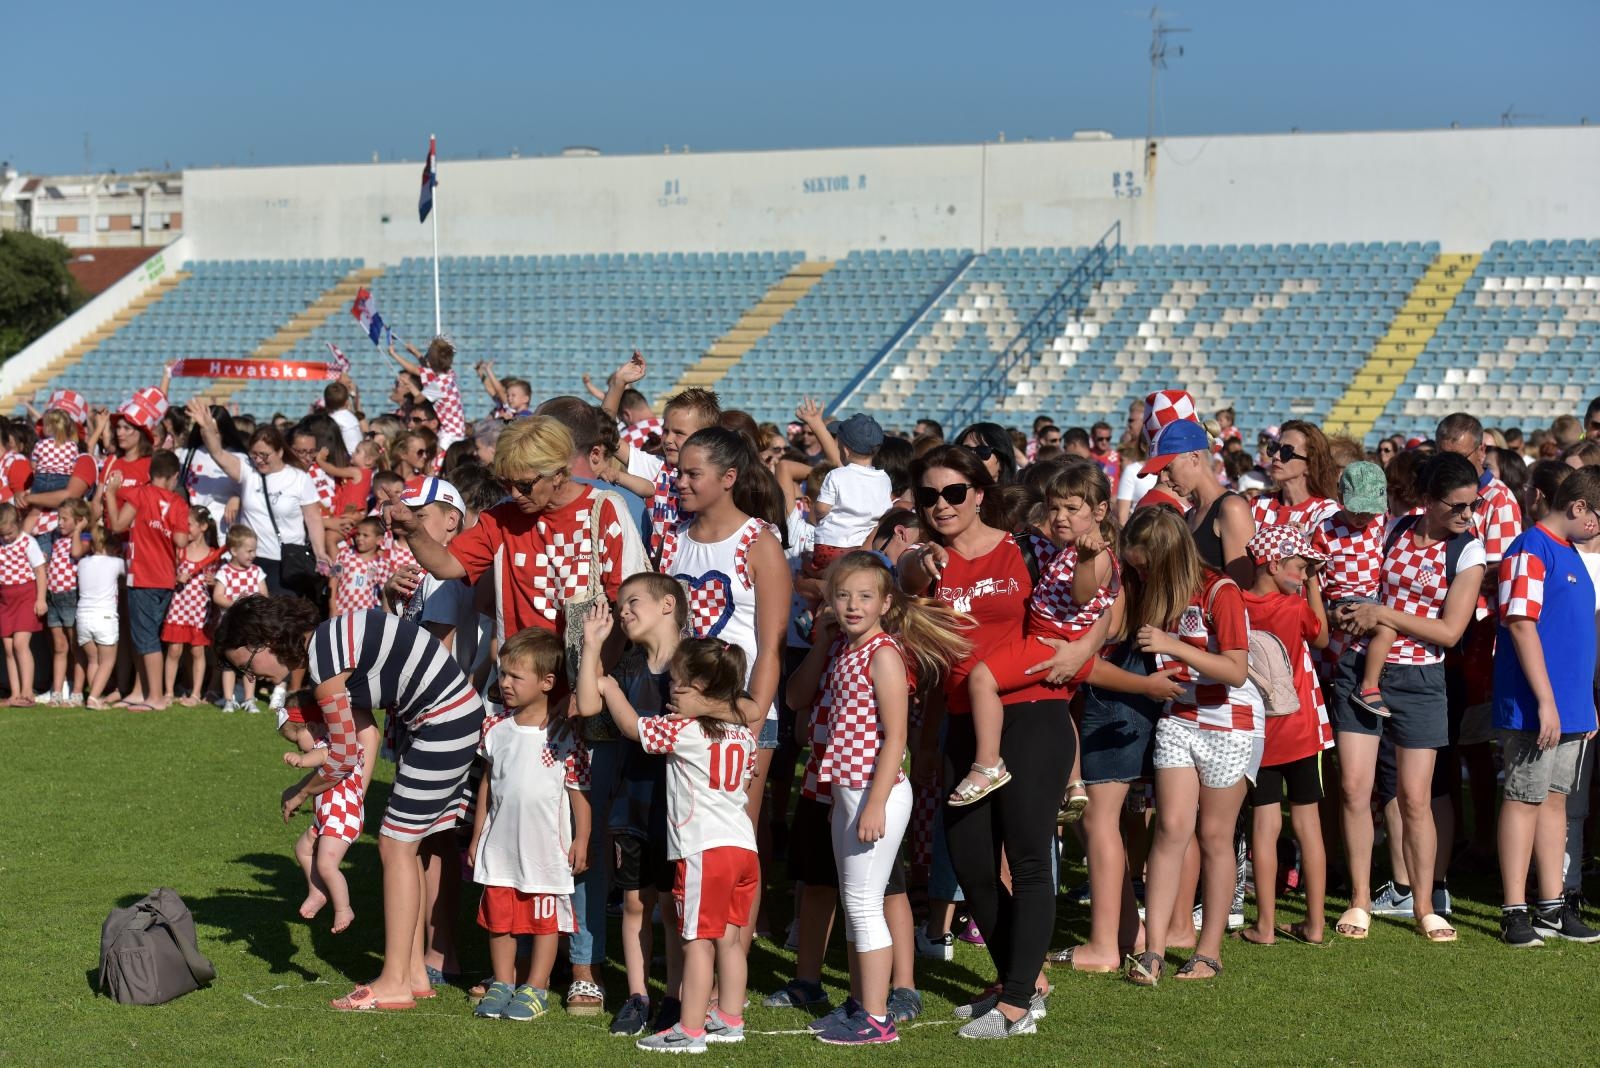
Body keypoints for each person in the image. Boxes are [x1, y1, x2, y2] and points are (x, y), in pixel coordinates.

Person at [898, 444, 1095, 1038]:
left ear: (980, 494)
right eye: (929, 496)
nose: (942, 505)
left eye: (954, 492)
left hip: (1034, 711)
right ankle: (1022, 975)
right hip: (962, 718)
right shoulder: (924, 563)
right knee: (970, 861)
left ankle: (1016, 1002)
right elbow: (929, 653)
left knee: (1029, 855)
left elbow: (1099, 596)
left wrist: (1086, 648)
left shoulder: (1028, 547)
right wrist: (929, 734)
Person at [216, 599, 486, 1012]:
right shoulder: (328, 643)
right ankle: (412, 974)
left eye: (250, 667)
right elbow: (360, 735)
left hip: (444, 721)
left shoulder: (325, 661)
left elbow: (343, 757)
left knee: (394, 845)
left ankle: (394, 982)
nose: (255, 678)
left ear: (267, 640)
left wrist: (302, 791)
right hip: (439, 719)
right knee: (405, 844)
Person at [785, 552, 969, 1045]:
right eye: (842, 595)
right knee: (855, 901)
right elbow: (800, 700)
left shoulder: (884, 654)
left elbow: (895, 737)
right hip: (846, 789)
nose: (852, 605)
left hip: (873, 792)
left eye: (864, 596)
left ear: (886, 603)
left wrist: (874, 803)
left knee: (866, 904)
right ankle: (862, 1004)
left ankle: (877, 1018)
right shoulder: (845, 649)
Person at [576, 614, 758, 1055]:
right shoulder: (743, 736)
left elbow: (632, 728)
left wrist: (613, 690)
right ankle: (729, 1017)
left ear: (705, 690)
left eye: (679, 684)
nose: (671, 691)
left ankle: (690, 1029)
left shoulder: (683, 730)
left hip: (704, 851)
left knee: (696, 942)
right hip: (743, 848)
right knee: (731, 939)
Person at [1332, 452, 1487, 944]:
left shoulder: (1469, 552)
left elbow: (1448, 631)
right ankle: (1360, 899)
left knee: (1416, 800)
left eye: (1473, 505)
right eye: (1458, 506)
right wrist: (1350, 611)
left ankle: (1424, 904)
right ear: (1427, 501)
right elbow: (1355, 583)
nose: (1468, 516)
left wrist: (1385, 615)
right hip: (1361, 668)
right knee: (1356, 790)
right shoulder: (1393, 528)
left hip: (1422, 680)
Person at [657, 426, 792, 956]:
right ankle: (690, 971)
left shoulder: (759, 541)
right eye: (680, 471)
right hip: (682, 716)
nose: (680, 481)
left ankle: (729, 971)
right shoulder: (672, 538)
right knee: (688, 844)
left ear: (728, 478)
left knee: (735, 846)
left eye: (693, 473)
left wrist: (750, 726)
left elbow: (771, 647)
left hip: (741, 721)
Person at [1121, 506, 1259, 986]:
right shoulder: (1157, 592)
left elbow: (1235, 670)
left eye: (1144, 565)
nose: (1139, 574)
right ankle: (1153, 951)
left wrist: (1172, 645)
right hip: (1179, 716)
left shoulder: (1220, 591)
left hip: (1230, 721)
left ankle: (1209, 951)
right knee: (1171, 828)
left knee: (1216, 836)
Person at [956, 462, 1118, 811]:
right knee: (1061, 713)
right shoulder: (1065, 548)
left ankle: (987, 764)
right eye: (1054, 507)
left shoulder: (1093, 555)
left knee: (981, 678)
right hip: (1058, 645)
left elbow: (1082, 594)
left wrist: (1087, 560)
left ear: (1100, 510)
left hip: (1047, 643)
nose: (1060, 516)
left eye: (1071, 509)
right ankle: (1073, 782)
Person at [1493, 467, 1600, 946]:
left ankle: (1552, 906)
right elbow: (1520, 623)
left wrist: (1584, 703)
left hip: (1570, 707)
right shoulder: (1529, 550)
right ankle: (1515, 909)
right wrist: (1546, 701)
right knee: (1523, 799)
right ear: (1579, 508)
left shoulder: (1570, 552)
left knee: (1555, 800)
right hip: (1536, 707)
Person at [467, 629, 591, 1022]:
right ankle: (503, 982)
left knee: (543, 922)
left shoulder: (565, 735)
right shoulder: (494, 729)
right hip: (499, 847)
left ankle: (536, 988)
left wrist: (583, 838)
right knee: (499, 920)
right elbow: (488, 782)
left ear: (547, 683)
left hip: (544, 852)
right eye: (502, 674)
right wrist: (476, 835)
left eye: (515, 677)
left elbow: (578, 793)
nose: (504, 683)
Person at [1236, 525, 1331, 947]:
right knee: (1307, 824)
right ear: (1274, 564)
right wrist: (1313, 587)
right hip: (1301, 727)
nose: (1304, 573)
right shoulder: (1295, 607)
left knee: (1265, 822)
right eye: (1299, 566)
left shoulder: (1234, 602)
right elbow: (1323, 636)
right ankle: (1314, 923)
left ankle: (1266, 925)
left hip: (1259, 729)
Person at [186, 401, 332, 598]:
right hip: (252, 559)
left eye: (264, 455)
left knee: (282, 619)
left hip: (287, 561)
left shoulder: (298, 478)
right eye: (254, 454)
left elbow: (313, 518)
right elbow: (218, 453)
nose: (259, 460)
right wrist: (207, 428)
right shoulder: (248, 472)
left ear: (279, 451)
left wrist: (320, 552)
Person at [281, 689, 380, 935]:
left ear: (312, 727)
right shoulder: (327, 745)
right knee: (302, 849)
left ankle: (343, 908)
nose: (298, 747)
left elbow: (322, 756)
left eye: (296, 740)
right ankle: (317, 891)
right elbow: (319, 771)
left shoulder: (335, 745)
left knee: (326, 863)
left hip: (342, 816)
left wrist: (302, 761)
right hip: (327, 817)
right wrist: (297, 790)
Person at [104, 451, 191, 711]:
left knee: (146, 638)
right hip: (164, 576)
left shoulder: (140, 494)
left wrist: (110, 494)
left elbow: (118, 525)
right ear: (174, 476)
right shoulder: (177, 502)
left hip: (142, 575)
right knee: (144, 635)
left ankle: (156, 697)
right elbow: (181, 540)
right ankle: (140, 691)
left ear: (150, 473)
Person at [1142, 391, 1255, 588]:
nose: (1164, 478)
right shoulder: (1190, 515)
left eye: (1168, 468)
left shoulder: (1231, 508)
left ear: (1195, 457)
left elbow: (1242, 592)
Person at [808, 414, 892, 575]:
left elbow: (822, 508)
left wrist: (817, 513)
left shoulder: (836, 475)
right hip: (863, 548)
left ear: (845, 450)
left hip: (830, 545)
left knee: (820, 578)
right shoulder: (884, 479)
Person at [161, 507, 221, 706]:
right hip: (178, 607)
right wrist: (176, 578)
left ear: (203, 526)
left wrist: (214, 583)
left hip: (200, 609)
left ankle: (196, 693)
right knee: (174, 650)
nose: (184, 528)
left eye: (188, 524)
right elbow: (166, 574)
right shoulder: (180, 551)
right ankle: (168, 692)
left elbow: (221, 583)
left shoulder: (214, 555)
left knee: (197, 651)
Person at [213, 526, 269, 712]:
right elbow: (217, 596)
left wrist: (253, 602)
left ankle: (249, 699)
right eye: (249, 550)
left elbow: (264, 595)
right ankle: (228, 699)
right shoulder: (224, 572)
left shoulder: (256, 571)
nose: (253, 554)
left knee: (250, 663)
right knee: (228, 663)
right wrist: (235, 604)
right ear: (234, 551)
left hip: (252, 628)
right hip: (230, 628)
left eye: (254, 550)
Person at [1252, 420, 1341, 532]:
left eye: (1286, 452)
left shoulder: (1328, 513)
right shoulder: (1258, 504)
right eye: (1275, 448)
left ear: (1310, 465)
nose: (1276, 456)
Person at [42, 499, 90, 705]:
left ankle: (78, 691)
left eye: (65, 519)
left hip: (70, 595)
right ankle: (58, 690)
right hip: (54, 595)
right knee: (60, 646)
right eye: (58, 518)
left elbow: (76, 553)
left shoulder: (85, 538)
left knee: (75, 645)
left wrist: (79, 530)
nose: (59, 523)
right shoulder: (57, 539)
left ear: (79, 520)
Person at [0, 503, 46, 705]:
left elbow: (40, 571)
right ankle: (15, 693)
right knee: (8, 648)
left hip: (26, 594)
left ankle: (28, 690)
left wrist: (41, 598)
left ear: (17, 524)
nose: (6, 538)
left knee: (20, 644)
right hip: (5, 598)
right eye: (3, 534)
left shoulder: (28, 543)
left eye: (9, 533)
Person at [76, 523, 124, 709]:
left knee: (93, 660)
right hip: (104, 616)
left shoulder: (82, 562)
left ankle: (94, 695)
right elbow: (129, 574)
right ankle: (94, 697)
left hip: (83, 616)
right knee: (108, 660)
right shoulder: (116, 562)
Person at [389, 335, 467, 448]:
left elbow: (417, 399)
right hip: (457, 430)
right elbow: (423, 368)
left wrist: (409, 384)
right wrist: (415, 353)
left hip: (450, 434)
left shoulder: (438, 385)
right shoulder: (449, 375)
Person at [330, 517, 391, 615]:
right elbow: (333, 579)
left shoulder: (382, 564)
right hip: (342, 611)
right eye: (358, 534)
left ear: (379, 540)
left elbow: (384, 592)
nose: (359, 538)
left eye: (365, 535)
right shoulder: (344, 554)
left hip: (367, 615)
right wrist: (332, 607)